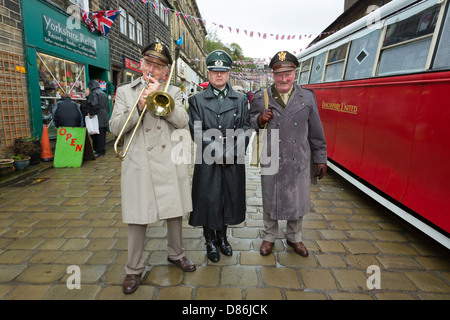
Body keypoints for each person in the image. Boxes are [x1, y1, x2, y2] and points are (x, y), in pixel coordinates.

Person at [109, 42, 196, 294]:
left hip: (168, 159)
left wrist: (163, 99)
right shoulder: (125, 91)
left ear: (165, 71)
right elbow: (114, 128)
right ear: (141, 63)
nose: (152, 69)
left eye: (159, 66)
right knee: (137, 216)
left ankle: (176, 254)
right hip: (139, 161)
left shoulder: (175, 91)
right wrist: (138, 105)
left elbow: (182, 121)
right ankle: (133, 269)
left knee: (174, 212)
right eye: (149, 63)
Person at [249, 50, 327, 257]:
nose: (283, 79)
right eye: (278, 74)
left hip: (299, 157)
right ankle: (269, 236)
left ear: (295, 72)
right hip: (271, 155)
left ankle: (295, 237)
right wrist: (258, 119)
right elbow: (249, 122)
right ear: (272, 75)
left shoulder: (307, 97)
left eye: (288, 73)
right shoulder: (261, 97)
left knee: (298, 198)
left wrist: (320, 158)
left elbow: (316, 131)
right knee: (270, 198)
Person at [188, 50, 251, 263]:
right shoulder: (196, 100)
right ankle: (209, 239)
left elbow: (245, 127)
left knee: (226, 198)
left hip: (232, 159)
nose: (218, 75)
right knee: (208, 199)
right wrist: (219, 152)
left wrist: (230, 152)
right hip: (208, 159)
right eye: (214, 71)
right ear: (208, 72)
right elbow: (196, 131)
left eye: (223, 71)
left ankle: (223, 237)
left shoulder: (241, 99)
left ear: (229, 73)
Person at [86, 79, 110, 157]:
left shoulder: (93, 93)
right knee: (102, 135)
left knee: (96, 135)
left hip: (97, 117)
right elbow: (107, 106)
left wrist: (91, 114)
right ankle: (101, 151)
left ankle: (98, 151)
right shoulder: (103, 93)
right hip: (104, 116)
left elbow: (94, 104)